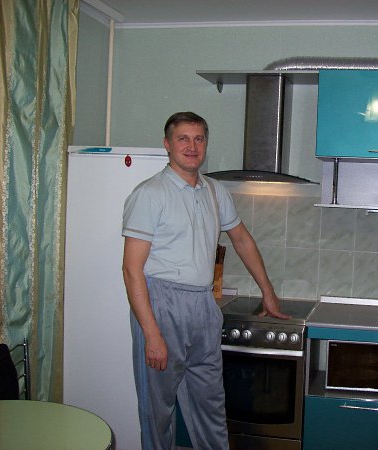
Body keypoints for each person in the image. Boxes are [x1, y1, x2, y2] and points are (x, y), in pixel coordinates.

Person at [121, 111, 288, 450]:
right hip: (161, 305)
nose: (192, 146)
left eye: (198, 139)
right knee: (158, 412)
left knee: (210, 406)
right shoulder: (150, 193)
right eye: (183, 138)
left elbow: (242, 240)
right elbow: (131, 269)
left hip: (203, 304)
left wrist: (267, 292)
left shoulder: (215, 190)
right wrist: (151, 333)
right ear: (167, 144)